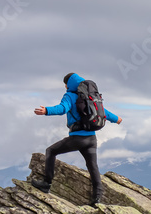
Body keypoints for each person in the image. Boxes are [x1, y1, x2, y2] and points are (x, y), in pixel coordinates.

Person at [30, 73, 121, 205]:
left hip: (77, 138)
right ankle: (97, 198)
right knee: (93, 166)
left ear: (68, 84)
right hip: (91, 139)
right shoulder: (90, 97)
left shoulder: (70, 96)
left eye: (65, 84)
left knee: (50, 151)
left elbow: (62, 109)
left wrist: (46, 111)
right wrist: (117, 119)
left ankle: (46, 184)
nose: (65, 86)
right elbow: (104, 112)